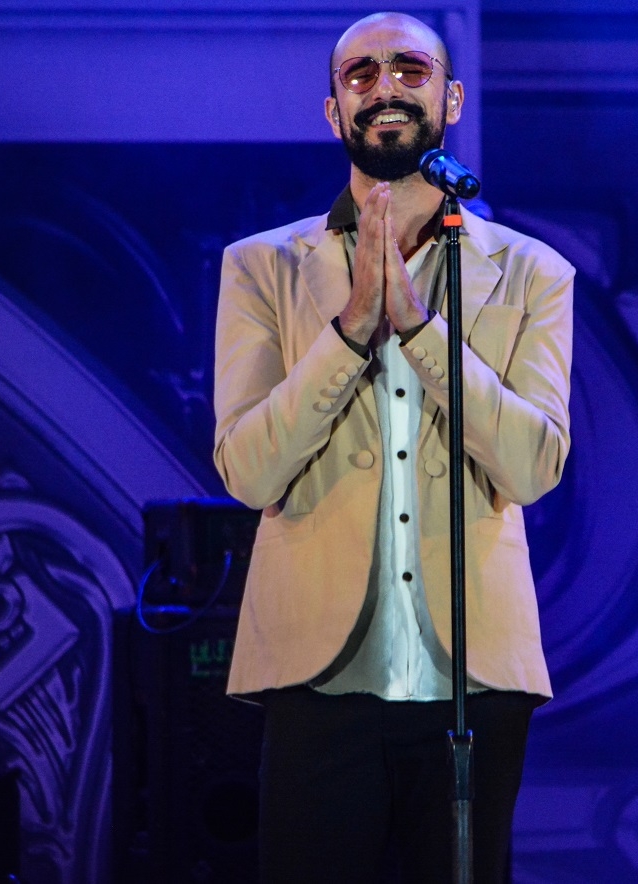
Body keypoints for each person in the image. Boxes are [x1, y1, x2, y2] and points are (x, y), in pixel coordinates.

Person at [212, 11, 575, 882]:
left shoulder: (531, 271)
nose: (385, 87)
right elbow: (248, 471)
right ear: (333, 111)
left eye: (410, 70)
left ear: (450, 100)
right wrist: (348, 333)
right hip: (317, 670)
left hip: (474, 676)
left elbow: (533, 467)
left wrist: (418, 330)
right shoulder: (261, 267)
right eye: (361, 74)